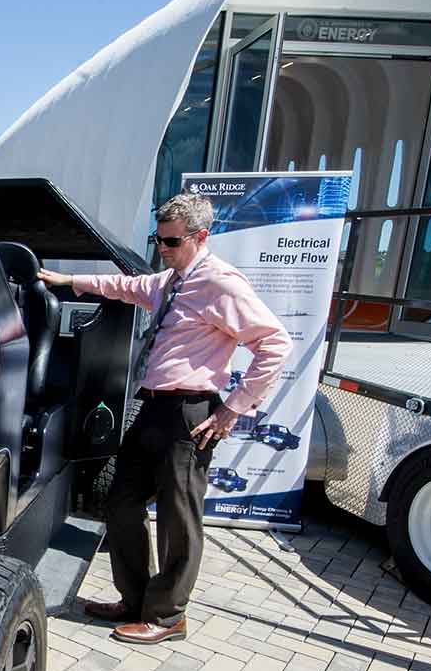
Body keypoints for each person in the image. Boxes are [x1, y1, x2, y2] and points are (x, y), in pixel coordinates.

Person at [37, 192, 289, 645]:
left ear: (200, 237)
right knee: (120, 502)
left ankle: (168, 616)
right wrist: (68, 279)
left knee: (178, 518)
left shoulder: (221, 284)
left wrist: (233, 407)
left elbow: (274, 344)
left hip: (190, 414)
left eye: (171, 242)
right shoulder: (172, 281)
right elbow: (128, 287)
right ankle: (135, 600)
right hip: (153, 407)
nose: (162, 249)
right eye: (158, 240)